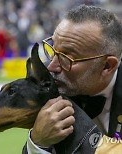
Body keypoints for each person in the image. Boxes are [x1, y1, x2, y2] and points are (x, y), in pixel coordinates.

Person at [23, 4, 122, 154]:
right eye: (53, 49)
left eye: (67, 57)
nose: (52, 67)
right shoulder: (45, 83)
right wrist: (38, 143)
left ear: (107, 66)